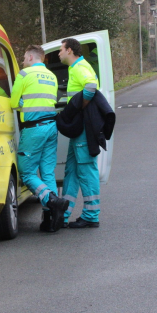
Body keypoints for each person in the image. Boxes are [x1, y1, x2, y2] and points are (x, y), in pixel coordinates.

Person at [10, 45, 69, 232]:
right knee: (47, 173)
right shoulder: (51, 76)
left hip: (33, 129)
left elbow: (13, 102)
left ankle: (52, 201)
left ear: (29, 57)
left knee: (26, 173)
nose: (22, 61)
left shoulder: (25, 74)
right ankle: (50, 220)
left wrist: (22, 104)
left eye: (23, 58)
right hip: (51, 128)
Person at [58, 38, 101, 228]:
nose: (58, 53)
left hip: (82, 127)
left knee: (86, 169)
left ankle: (92, 216)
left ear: (69, 51)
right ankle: (64, 213)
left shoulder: (78, 67)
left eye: (60, 50)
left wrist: (79, 107)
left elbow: (91, 86)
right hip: (79, 129)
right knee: (72, 171)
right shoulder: (76, 67)